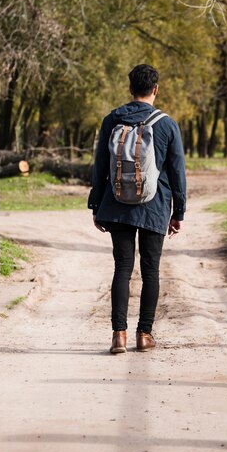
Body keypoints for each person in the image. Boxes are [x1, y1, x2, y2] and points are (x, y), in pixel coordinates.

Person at [88, 64, 186, 354]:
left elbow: (100, 165)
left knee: (122, 267)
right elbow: (177, 171)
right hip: (155, 206)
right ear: (155, 89)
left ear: (130, 88)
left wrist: (96, 204)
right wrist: (178, 212)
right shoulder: (167, 124)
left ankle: (119, 335)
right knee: (150, 271)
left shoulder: (112, 120)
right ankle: (144, 335)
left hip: (117, 205)